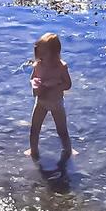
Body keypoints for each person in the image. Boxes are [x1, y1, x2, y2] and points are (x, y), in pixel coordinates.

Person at [28, 32, 74, 162]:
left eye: (44, 53)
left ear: (54, 53)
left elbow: (68, 84)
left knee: (62, 130)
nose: (41, 56)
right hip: (41, 102)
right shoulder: (38, 65)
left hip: (56, 103)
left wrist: (55, 85)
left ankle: (68, 150)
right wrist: (36, 85)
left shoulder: (61, 67)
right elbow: (32, 78)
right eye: (39, 53)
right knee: (34, 129)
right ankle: (33, 150)